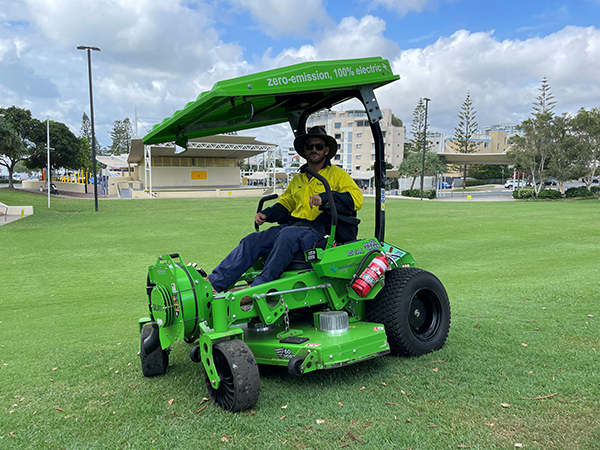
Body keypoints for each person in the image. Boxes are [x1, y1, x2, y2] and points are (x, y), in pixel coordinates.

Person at [208, 126, 363, 293]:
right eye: (310, 146)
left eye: (318, 146)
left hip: (318, 231)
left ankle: (258, 288)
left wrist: (325, 197)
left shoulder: (337, 175)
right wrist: (266, 214)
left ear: (326, 150)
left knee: (288, 235)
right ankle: (215, 283)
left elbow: (356, 199)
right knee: (252, 240)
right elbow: (286, 204)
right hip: (293, 227)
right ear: (305, 150)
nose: (314, 149)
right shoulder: (298, 179)